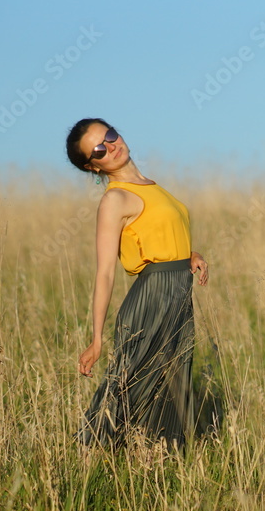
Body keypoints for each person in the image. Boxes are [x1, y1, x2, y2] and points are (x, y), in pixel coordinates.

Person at [64, 117, 209, 452]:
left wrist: (189, 255)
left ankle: (159, 461)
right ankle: (92, 454)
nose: (111, 146)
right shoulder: (115, 200)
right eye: (99, 150)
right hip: (151, 299)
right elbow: (105, 273)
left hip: (177, 292)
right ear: (93, 166)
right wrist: (97, 339)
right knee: (132, 384)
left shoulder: (153, 186)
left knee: (173, 382)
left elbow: (157, 238)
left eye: (110, 136)